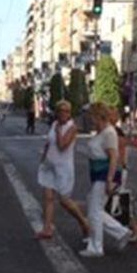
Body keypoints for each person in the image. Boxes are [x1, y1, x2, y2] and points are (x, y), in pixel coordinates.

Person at [81, 103, 132, 257]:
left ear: (98, 116)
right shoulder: (102, 132)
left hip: (104, 175)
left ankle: (96, 247)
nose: (89, 119)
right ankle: (121, 232)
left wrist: (110, 179)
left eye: (91, 116)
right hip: (98, 174)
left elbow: (114, 156)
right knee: (94, 208)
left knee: (94, 210)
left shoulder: (109, 133)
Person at [35, 100, 90, 240]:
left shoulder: (72, 128)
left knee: (64, 200)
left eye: (67, 111)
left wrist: (59, 131)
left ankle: (84, 222)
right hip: (49, 165)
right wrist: (43, 158)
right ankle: (47, 228)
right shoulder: (54, 124)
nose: (64, 114)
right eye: (61, 111)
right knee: (48, 198)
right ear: (57, 112)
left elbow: (62, 146)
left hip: (63, 167)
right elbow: (49, 142)